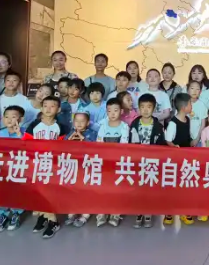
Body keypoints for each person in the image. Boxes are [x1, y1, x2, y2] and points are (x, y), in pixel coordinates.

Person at [24, 96, 71, 238]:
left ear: (58, 109)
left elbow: (63, 147)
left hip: (53, 164)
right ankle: (44, 217)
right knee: (39, 192)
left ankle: (53, 221)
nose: (48, 109)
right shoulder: (34, 125)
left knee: (49, 192)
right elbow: (26, 144)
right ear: (41, 107)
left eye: (52, 106)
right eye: (45, 106)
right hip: (37, 164)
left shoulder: (61, 127)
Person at [129, 93, 167, 229]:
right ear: (139, 108)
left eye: (149, 107)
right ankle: (139, 213)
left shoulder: (158, 126)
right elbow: (130, 143)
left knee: (150, 188)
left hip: (152, 163)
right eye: (142, 107)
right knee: (138, 189)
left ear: (154, 108)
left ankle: (148, 213)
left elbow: (162, 145)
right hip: (138, 162)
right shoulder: (134, 124)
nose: (145, 110)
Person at [95, 98, 134, 228]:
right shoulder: (103, 126)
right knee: (103, 188)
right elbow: (99, 143)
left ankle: (115, 213)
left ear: (121, 111)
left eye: (115, 110)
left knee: (117, 188)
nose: (112, 113)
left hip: (118, 162)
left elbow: (124, 145)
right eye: (109, 111)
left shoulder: (124, 127)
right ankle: (101, 213)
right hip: (104, 162)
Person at [0, 106, 26, 233]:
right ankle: (2, 214)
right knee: (2, 191)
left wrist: (19, 135)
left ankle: (16, 214)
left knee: (17, 191)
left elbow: (29, 147)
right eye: (6, 117)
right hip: (3, 168)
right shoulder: (0, 133)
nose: (9, 120)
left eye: (13, 117)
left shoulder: (25, 132)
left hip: (19, 167)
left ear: (21, 119)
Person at [164, 93, 194, 225]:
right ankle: (169, 212)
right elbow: (168, 140)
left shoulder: (188, 120)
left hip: (186, 160)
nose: (192, 106)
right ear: (184, 107)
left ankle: (184, 211)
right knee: (173, 187)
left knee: (185, 186)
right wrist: (174, 146)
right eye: (190, 104)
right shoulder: (173, 123)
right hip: (175, 160)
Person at [65, 112, 94, 229]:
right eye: (76, 121)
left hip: (87, 167)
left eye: (82, 121)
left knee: (86, 191)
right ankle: (72, 212)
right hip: (74, 167)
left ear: (88, 123)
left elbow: (96, 148)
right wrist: (69, 140)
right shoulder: (70, 134)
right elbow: (62, 147)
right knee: (73, 191)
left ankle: (85, 215)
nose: (79, 123)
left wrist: (83, 139)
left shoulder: (92, 133)